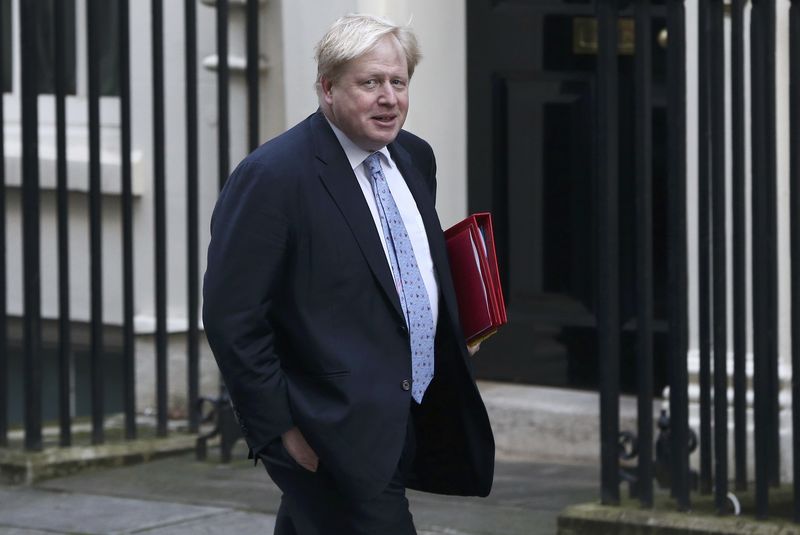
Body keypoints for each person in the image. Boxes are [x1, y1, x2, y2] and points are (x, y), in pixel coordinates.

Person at [203, 13, 495, 535]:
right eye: (370, 83)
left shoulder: (413, 157)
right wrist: (280, 432)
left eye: (398, 82)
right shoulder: (272, 177)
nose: (389, 98)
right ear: (327, 88)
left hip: (409, 411)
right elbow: (233, 318)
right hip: (328, 427)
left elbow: (397, 273)